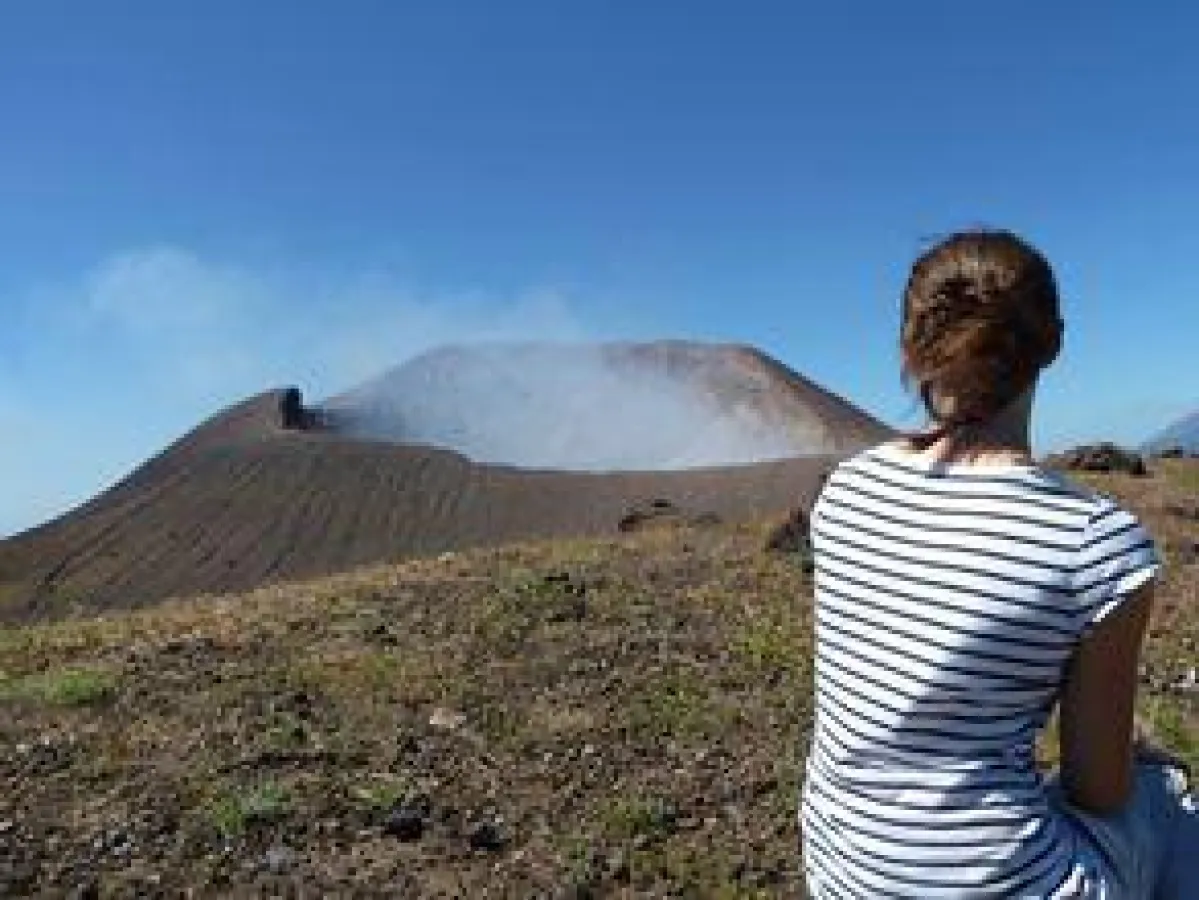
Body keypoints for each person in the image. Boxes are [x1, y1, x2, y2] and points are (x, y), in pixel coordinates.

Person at [799, 229, 1197, 897]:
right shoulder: (1098, 544)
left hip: (843, 872)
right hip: (1005, 884)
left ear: (913, 345)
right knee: (1156, 798)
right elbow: (1096, 791)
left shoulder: (842, 490)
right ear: (1052, 343)